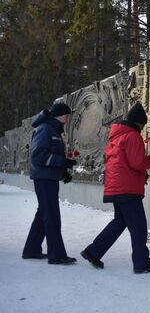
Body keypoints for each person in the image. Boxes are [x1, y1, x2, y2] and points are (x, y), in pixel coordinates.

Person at [81, 102, 150, 273]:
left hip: (117, 188)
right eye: (143, 125)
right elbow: (137, 163)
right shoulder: (133, 136)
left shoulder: (116, 137)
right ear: (139, 123)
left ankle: (93, 252)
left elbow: (124, 164)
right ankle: (141, 263)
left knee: (119, 222)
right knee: (138, 226)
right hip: (128, 190)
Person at [22, 102, 78, 265]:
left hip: (48, 178)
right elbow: (38, 156)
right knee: (52, 216)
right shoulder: (46, 129)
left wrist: (63, 172)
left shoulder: (52, 129)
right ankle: (57, 255)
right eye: (66, 116)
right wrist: (63, 162)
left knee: (43, 215)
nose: (67, 120)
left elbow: (49, 156)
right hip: (44, 180)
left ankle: (31, 249)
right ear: (58, 115)